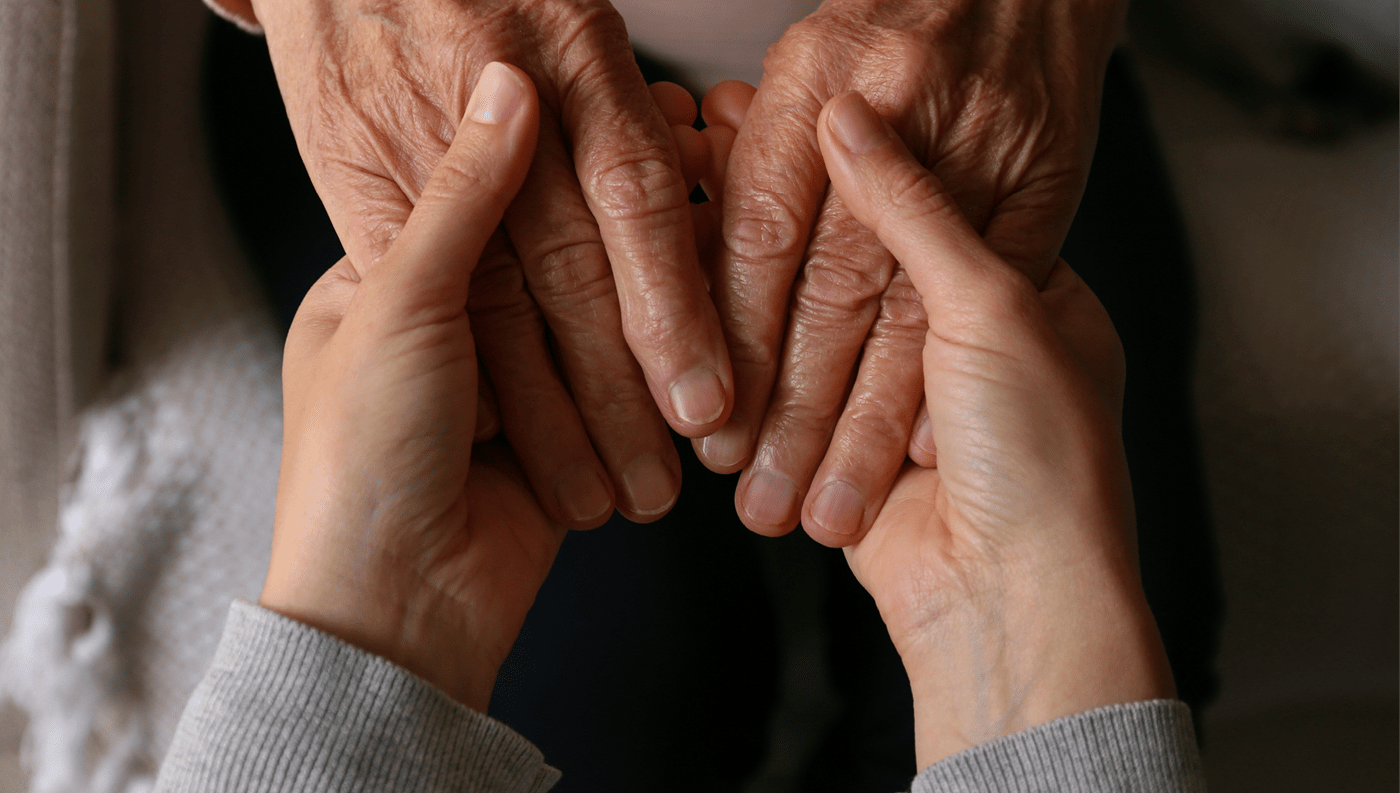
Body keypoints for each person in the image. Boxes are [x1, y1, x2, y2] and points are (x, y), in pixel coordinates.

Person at [154, 64, 1207, 792]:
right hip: (438, 75)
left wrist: (386, 608)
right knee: (627, 687)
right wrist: (1018, 634)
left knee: (1141, 598)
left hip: (960, 91)